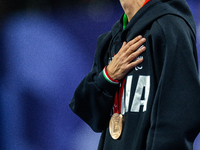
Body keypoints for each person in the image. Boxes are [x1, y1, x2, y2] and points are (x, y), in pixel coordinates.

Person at [69, 0, 200, 149]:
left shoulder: (170, 27)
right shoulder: (112, 40)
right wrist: (108, 76)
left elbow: (179, 115)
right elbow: (88, 111)